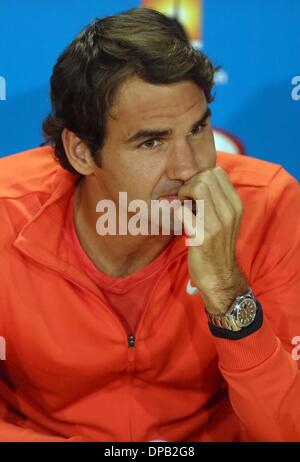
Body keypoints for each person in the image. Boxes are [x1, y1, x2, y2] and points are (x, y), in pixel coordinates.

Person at [0, 7, 299, 442]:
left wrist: (228, 294)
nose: (189, 166)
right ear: (82, 152)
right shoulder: (7, 211)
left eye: (197, 130)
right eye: (151, 142)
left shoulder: (268, 204)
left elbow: (288, 431)